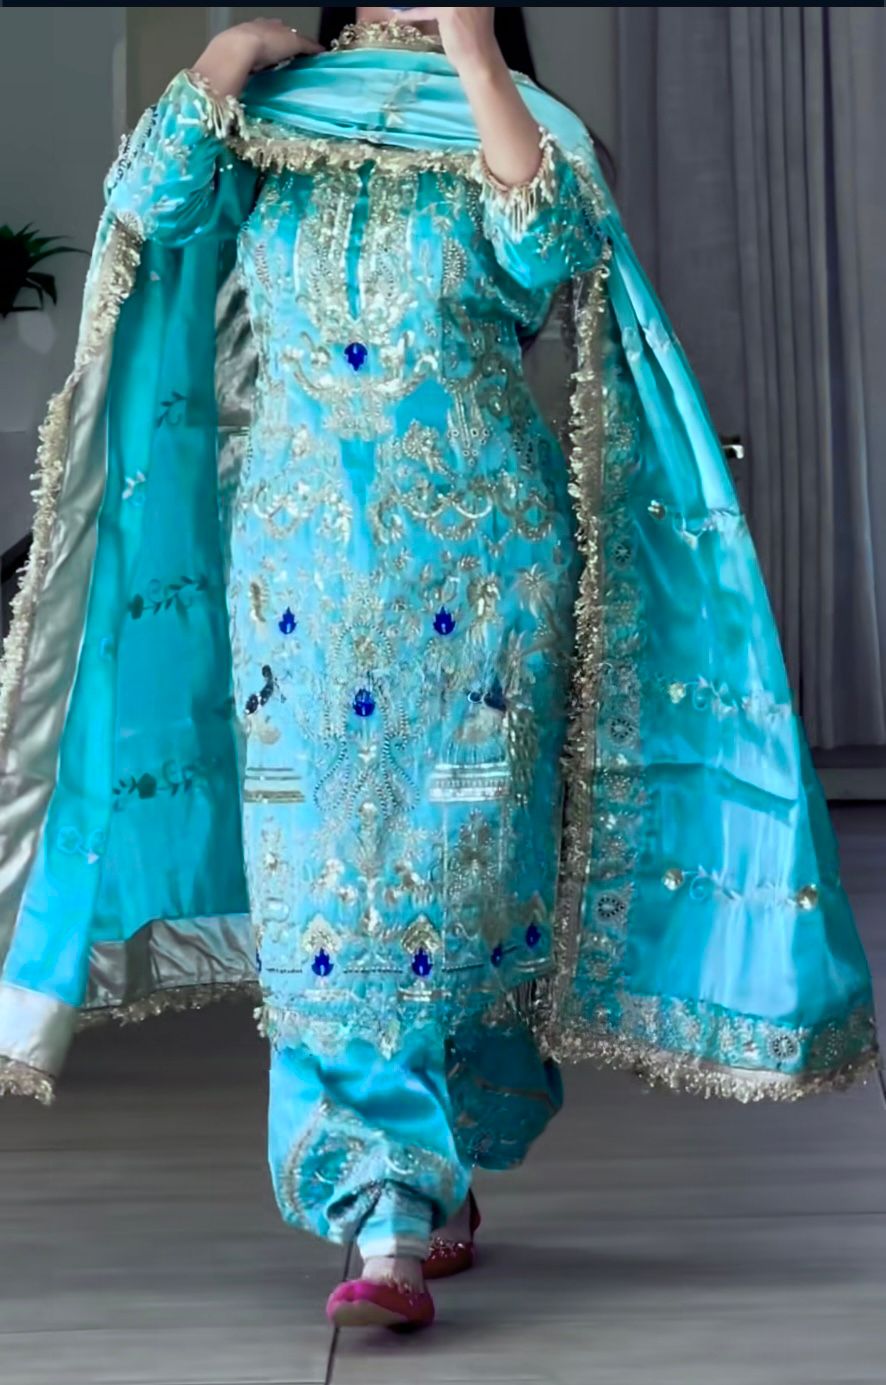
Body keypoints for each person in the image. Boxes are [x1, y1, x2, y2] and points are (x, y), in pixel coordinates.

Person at [0, 6, 877, 1333]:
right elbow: (149, 204)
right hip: (295, 593)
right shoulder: (270, 126)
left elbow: (548, 248)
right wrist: (222, 61)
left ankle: (432, 1164)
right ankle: (386, 1215)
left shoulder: (511, 126)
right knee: (322, 901)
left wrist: (475, 60)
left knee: (455, 888)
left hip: (476, 593)